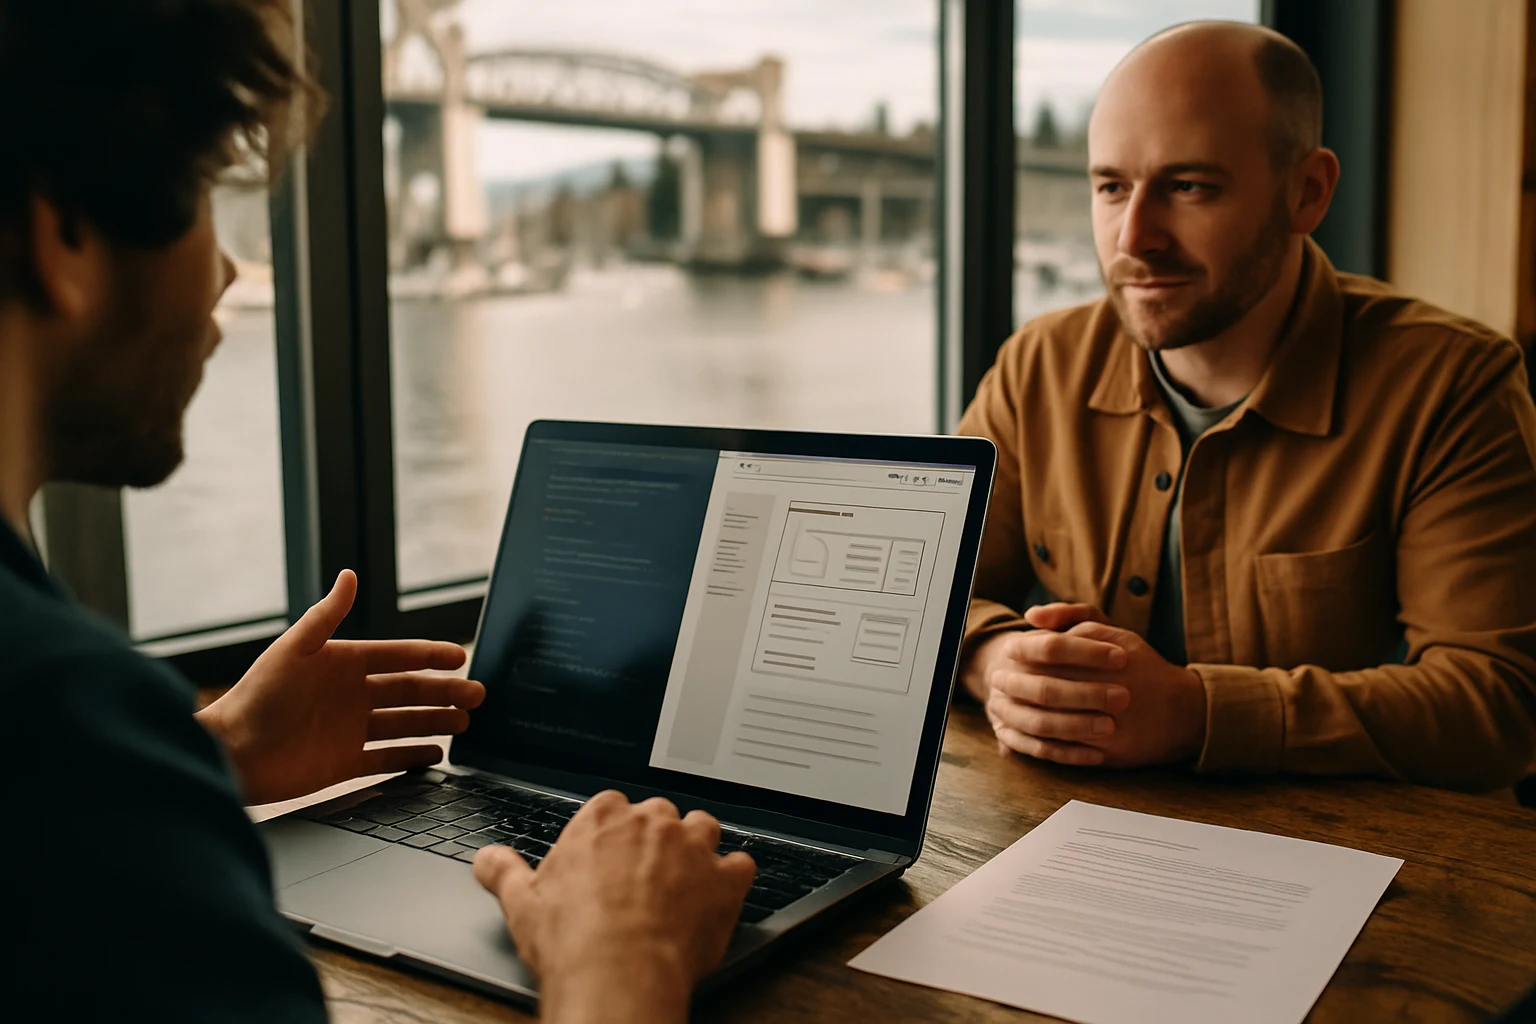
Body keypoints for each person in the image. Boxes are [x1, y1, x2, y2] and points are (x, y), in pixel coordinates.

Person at [0, 1, 752, 1020]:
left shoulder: (66, 752)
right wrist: (620, 963)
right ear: (64, 237)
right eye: (209, 187)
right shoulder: (56, 729)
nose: (226, 272)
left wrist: (204, 753)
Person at [960, 21, 1536, 790]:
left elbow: (1498, 702)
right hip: (1059, 829)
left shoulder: (1451, 384)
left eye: (1188, 187)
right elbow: (931, 598)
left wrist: (1197, 713)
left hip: (1341, 850)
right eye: (1111, 187)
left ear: (1308, 192)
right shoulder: (1039, 365)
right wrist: (995, 659)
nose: (1135, 238)